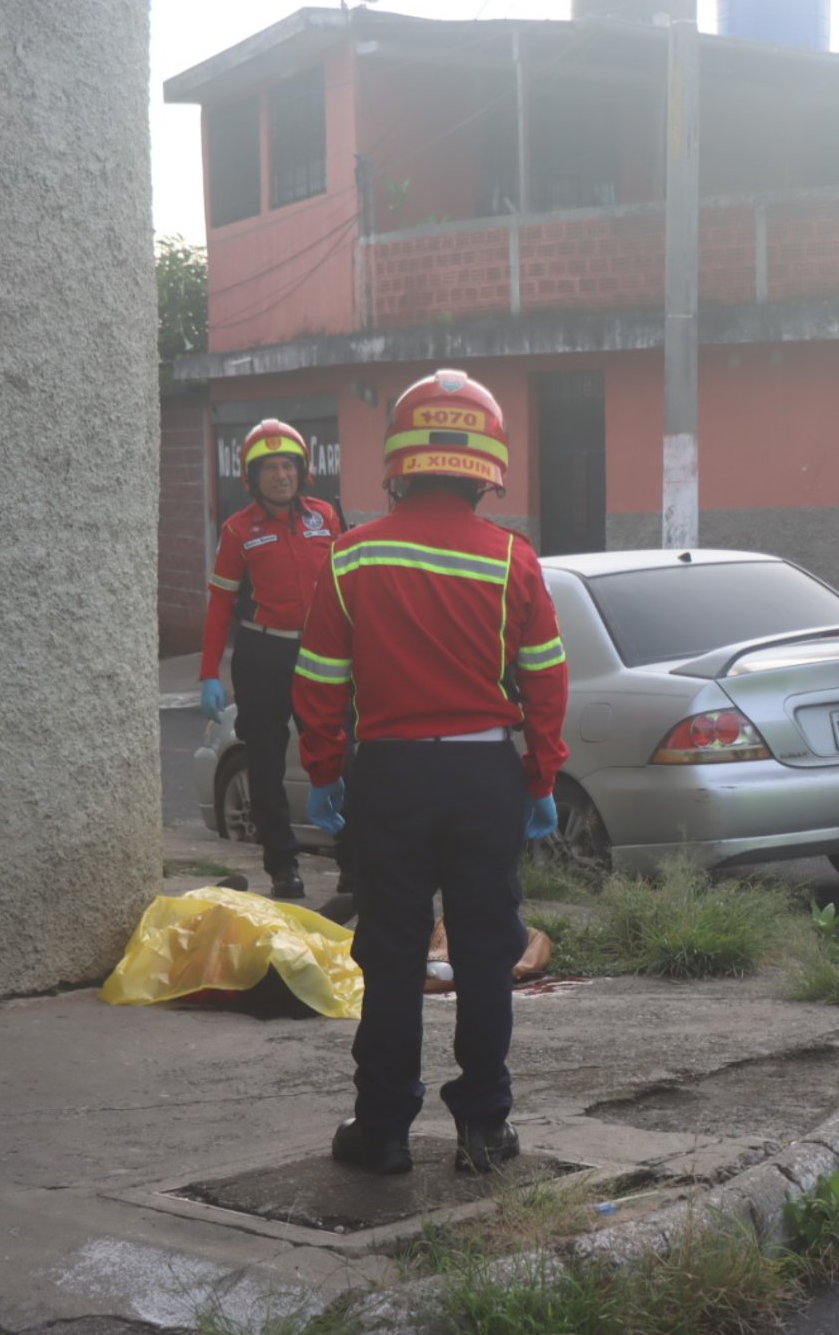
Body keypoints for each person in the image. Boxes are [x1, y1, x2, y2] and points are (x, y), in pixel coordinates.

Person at [291, 368, 569, 1176]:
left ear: (400, 461)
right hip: (487, 776)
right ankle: (484, 1128)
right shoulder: (512, 558)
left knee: (392, 952)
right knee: (485, 954)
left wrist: (325, 769)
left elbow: (319, 679)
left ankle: (381, 1130)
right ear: (489, 467)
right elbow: (546, 678)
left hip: (391, 777)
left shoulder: (350, 556)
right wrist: (543, 777)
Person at [197, 419, 340, 900]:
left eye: (288, 465)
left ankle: (354, 860)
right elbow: (220, 606)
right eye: (270, 468)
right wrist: (208, 674)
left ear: (302, 471)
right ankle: (283, 866)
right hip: (262, 655)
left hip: (321, 653)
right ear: (252, 478)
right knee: (265, 763)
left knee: (340, 752)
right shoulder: (238, 531)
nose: (281, 475)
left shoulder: (327, 517)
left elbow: (347, 588)